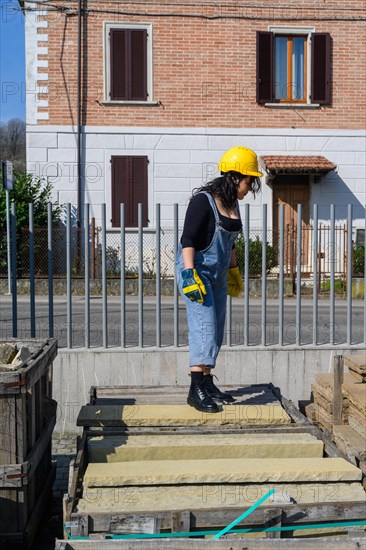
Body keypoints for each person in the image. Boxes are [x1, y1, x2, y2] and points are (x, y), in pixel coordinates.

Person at [176, 146, 263, 413]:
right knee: (204, 327)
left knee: (216, 327)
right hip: (197, 270)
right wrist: (189, 275)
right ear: (235, 177)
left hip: (220, 273)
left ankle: (206, 381)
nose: (250, 188)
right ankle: (194, 390)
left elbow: (230, 243)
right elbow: (187, 240)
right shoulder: (203, 201)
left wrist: (234, 269)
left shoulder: (232, 203)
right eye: (249, 181)